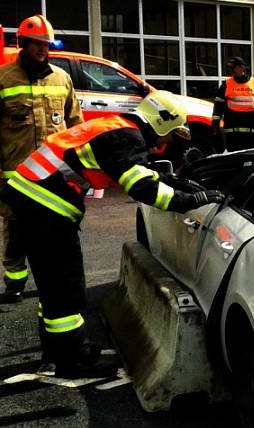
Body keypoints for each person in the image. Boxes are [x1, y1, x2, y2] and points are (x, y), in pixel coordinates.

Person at [0, 91, 224, 377]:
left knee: (52, 285)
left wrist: (176, 182)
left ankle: (57, 351)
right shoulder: (127, 138)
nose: (166, 143)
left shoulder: (115, 127)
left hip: (29, 199)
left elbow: (135, 170)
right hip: (45, 208)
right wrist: (191, 200)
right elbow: (143, 188)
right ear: (160, 123)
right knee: (66, 286)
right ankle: (73, 361)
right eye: (168, 136)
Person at [0, 14, 83, 304]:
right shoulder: (4, 79)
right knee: (15, 229)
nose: (41, 49)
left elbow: (75, 126)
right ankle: (14, 281)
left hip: (53, 174)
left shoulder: (62, 79)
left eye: (45, 44)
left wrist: (80, 171)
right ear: (23, 43)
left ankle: (54, 277)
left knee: (57, 227)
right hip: (17, 174)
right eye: (35, 43)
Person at [212, 57, 254, 152]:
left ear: (242, 68)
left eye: (233, 67)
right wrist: (215, 124)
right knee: (235, 162)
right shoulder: (226, 84)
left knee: (252, 162)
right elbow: (218, 105)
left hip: (252, 134)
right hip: (232, 134)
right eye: (230, 68)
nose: (231, 70)